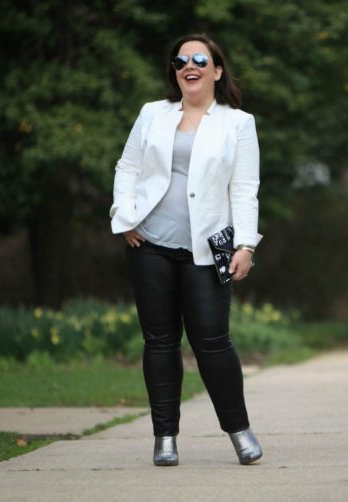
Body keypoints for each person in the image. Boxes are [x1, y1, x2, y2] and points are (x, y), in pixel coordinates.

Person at [109, 33, 263, 466]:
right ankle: (165, 438)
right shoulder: (152, 114)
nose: (188, 66)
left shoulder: (238, 123)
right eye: (180, 61)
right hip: (150, 246)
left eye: (199, 59)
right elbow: (128, 167)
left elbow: (245, 188)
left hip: (208, 248)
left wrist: (246, 244)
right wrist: (126, 217)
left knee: (213, 342)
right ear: (174, 72)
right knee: (159, 342)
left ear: (216, 70)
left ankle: (239, 430)